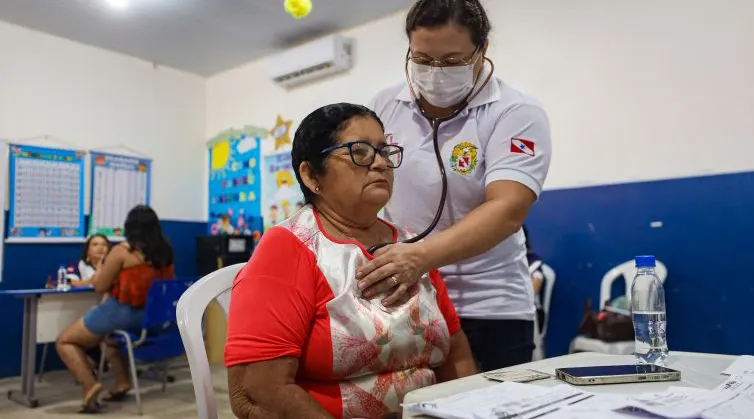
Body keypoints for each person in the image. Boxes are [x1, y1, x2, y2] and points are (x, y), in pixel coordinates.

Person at [225, 103, 476, 419]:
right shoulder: (290, 247)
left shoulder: (412, 246)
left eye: (384, 151)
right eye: (359, 152)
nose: (380, 163)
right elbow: (259, 390)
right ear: (311, 174)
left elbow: (456, 352)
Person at [358, 0, 552, 371]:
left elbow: (507, 210)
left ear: (482, 51)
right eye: (422, 59)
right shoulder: (384, 105)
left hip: (490, 305)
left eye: (451, 61)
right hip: (409, 297)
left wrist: (420, 257)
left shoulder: (515, 112)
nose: (435, 72)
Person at [55, 205, 175, 413]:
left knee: (65, 341)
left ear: (129, 227)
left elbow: (100, 286)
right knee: (110, 340)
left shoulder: (123, 251)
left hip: (122, 312)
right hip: (152, 319)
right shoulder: (166, 253)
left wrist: (102, 269)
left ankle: (90, 385)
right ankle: (122, 383)